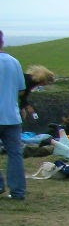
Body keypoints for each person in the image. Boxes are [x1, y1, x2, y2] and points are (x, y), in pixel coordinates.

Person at [0, 30, 26, 200]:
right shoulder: (14, 62)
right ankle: (17, 192)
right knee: (15, 154)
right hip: (12, 116)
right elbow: (21, 89)